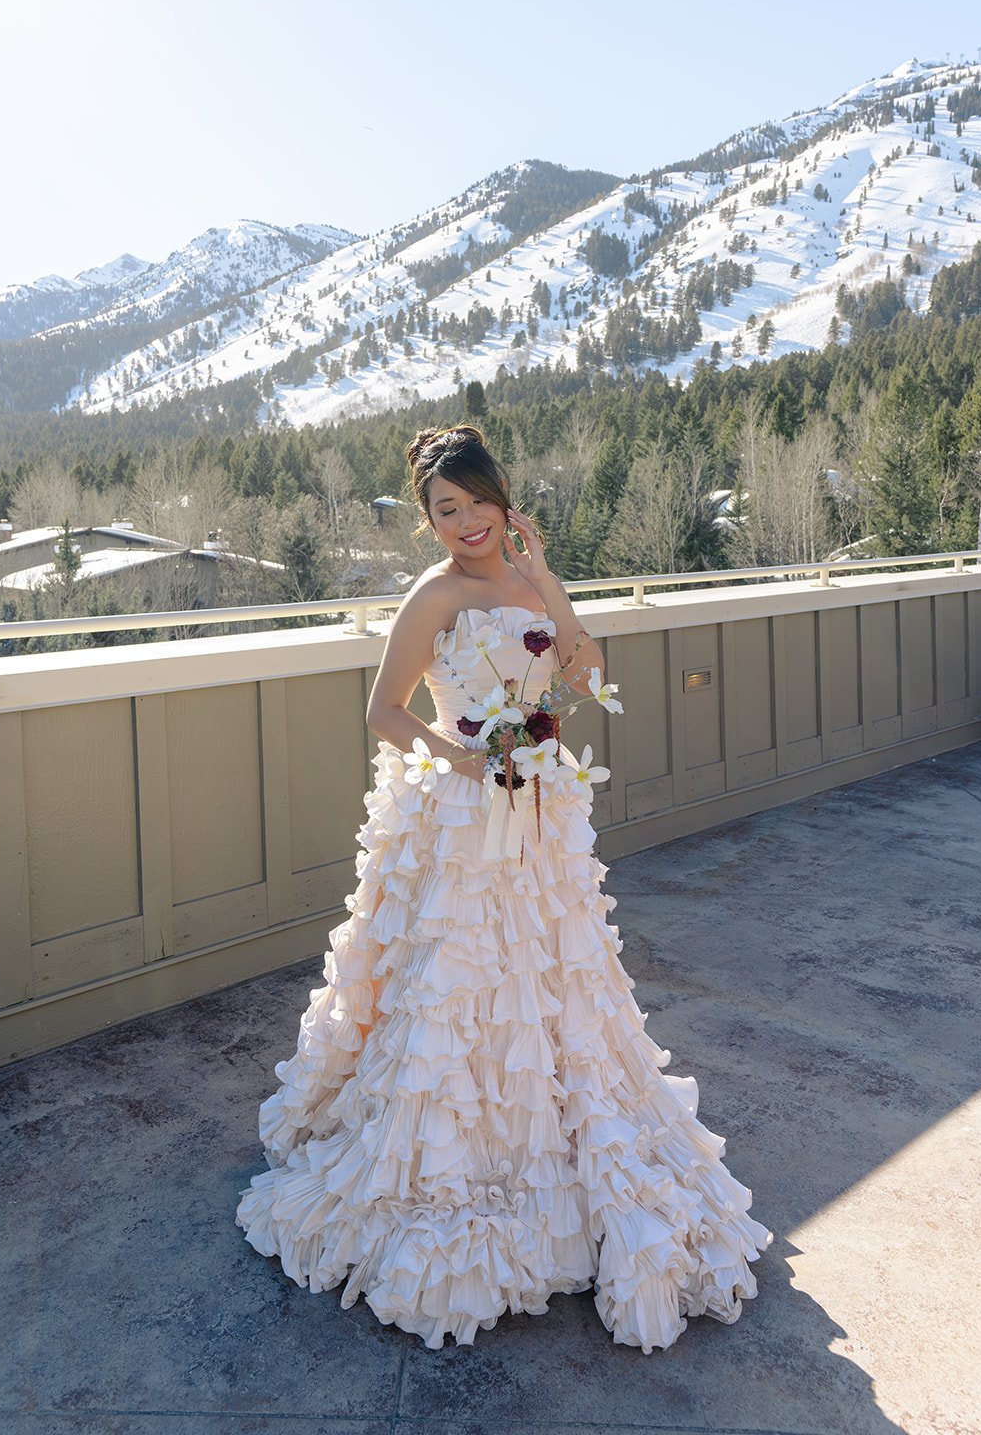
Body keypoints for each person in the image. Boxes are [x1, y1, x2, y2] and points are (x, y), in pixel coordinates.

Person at [236, 424, 770, 1351]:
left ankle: (558, 1129)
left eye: (480, 502)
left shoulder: (529, 580)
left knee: (550, 972)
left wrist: (549, 587)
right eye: (448, 509)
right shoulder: (432, 594)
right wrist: (464, 757)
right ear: (428, 519)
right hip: (461, 812)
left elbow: (585, 673)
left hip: (540, 810)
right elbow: (382, 712)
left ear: (502, 499)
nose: (467, 522)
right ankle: (453, 1150)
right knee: (457, 980)